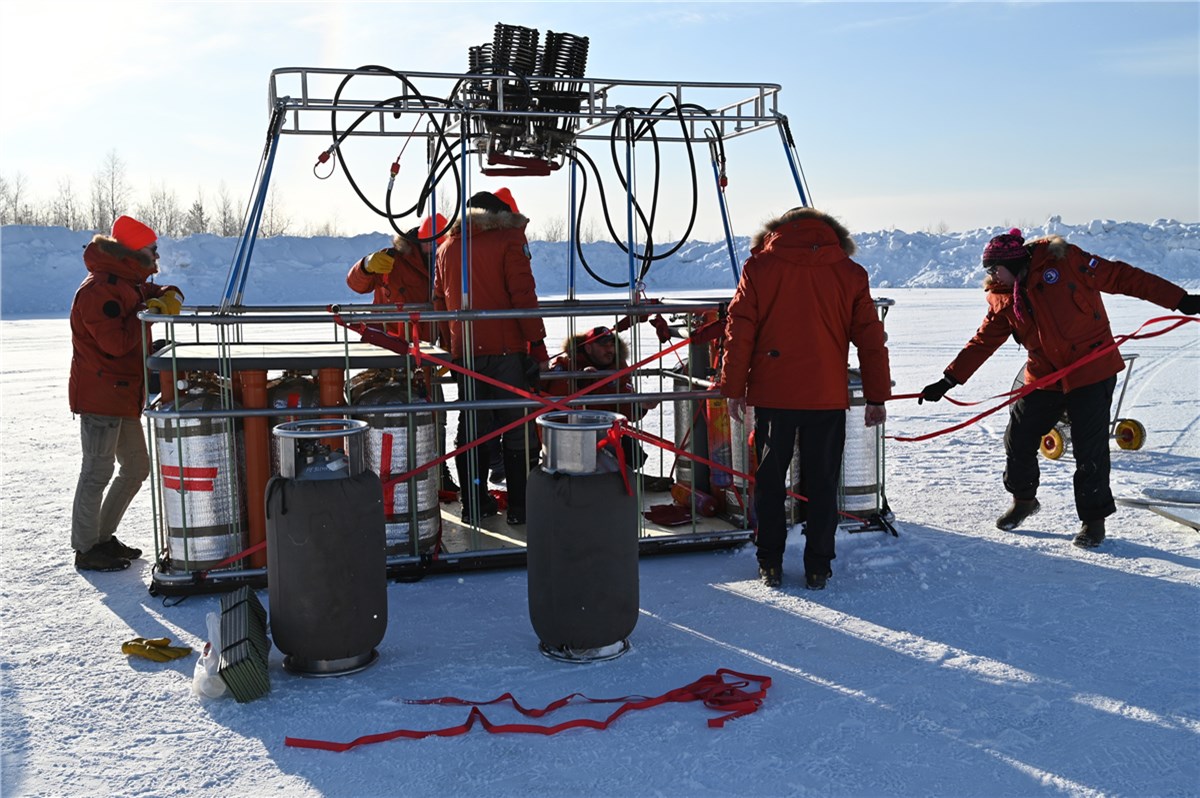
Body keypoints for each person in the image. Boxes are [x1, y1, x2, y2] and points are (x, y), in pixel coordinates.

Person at [920, 228, 1200, 549]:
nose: (990, 274)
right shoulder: (1002, 295)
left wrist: (1180, 300)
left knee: (1088, 448)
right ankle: (1024, 499)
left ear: (1013, 262)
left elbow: (1123, 277)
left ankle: (1093, 522)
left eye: (994, 267)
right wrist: (949, 380)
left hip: (1091, 369)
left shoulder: (1066, 262)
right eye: (988, 270)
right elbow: (983, 341)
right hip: (1044, 375)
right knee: (1019, 436)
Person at [719, 208, 891, 590]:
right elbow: (870, 339)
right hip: (827, 397)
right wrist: (876, 395)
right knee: (823, 484)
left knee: (769, 483)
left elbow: (740, 331)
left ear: (777, 230)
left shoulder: (759, 268)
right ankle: (818, 567)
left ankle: (770, 563)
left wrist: (733, 388)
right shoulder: (850, 273)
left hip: (773, 396)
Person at [70, 215, 184, 572]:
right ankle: (87, 548)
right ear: (134, 252)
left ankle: (102, 538)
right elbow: (116, 343)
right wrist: (145, 315)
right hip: (101, 396)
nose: (157, 258)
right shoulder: (99, 290)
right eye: (152, 250)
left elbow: (159, 292)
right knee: (97, 471)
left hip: (123, 397)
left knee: (136, 468)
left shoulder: (127, 283)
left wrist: (168, 297)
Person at [434, 189, 549, 525]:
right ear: (501, 215)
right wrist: (537, 344)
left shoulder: (446, 247)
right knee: (517, 427)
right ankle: (521, 508)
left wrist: (451, 344)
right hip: (505, 351)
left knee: (473, 427)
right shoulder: (508, 240)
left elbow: (439, 302)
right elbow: (523, 295)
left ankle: (474, 504)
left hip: (466, 354)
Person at [347, 214, 460, 493]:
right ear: (418, 240)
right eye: (430, 244)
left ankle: (437, 469)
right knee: (388, 418)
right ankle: (386, 474)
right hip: (388, 354)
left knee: (437, 416)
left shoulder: (447, 258)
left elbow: (446, 309)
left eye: (440, 242)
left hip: (427, 355)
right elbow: (355, 284)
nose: (434, 248)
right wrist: (365, 265)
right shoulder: (392, 259)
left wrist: (448, 350)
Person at [545, 325, 670, 490]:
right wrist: (582, 381)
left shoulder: (618, 367)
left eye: (611, 345)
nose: (609, 349)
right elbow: (553, 408)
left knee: (633, 453)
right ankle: (616, 480)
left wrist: (640, 405)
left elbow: (626, 412)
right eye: (603, 345)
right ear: (588, 347)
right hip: (570, 435)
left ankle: (619, 478)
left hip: (604, 431)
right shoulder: (566, 365)